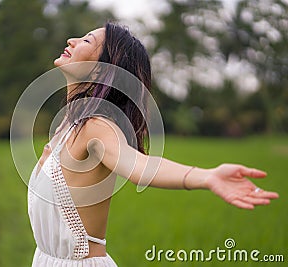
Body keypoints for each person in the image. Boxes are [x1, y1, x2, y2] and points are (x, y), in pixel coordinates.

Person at [26, 22, 279, 267]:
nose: (72, 40)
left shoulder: (96, 127)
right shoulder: (66, 127)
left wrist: (206, 176)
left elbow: (139, 165)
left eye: (86, 40)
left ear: (100, 70)